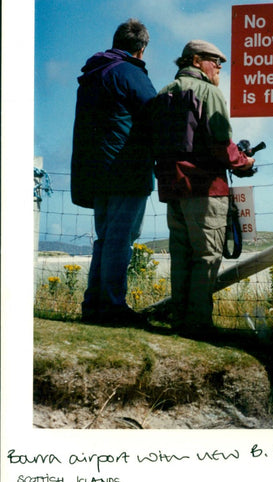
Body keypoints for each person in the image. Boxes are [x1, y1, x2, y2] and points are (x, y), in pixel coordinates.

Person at [149, 40, 254, 337]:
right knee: (207, 257)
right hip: (205, 188)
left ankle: (179, 322)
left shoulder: (162, 93)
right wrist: (242, 162)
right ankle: (198, 325)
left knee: (181, 257)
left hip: (172, 187)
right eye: (215, 60)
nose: (220, 66)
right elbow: (220, 142)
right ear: (196, 60)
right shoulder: (209, 92)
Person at [71, 18, 157, 324]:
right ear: (142, 48)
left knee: (106, 238)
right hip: (126, 170)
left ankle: (94, 304)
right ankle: (112, 307)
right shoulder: (129, 72)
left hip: (97, 172)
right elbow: (155, 113)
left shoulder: (94, 73)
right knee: (121, 239)